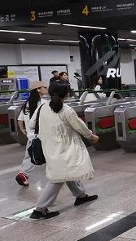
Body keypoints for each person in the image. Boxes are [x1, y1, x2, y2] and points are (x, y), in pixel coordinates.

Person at [29, 83, 100, 219]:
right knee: (57, 177)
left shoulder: (42, 107)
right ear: (66, 93)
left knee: (65, 171)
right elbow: (79, 126)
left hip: (49, 145)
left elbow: (32, 124)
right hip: (65, 146)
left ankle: (80, 195)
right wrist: (91, 136)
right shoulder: (65, 109)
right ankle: (40, 209)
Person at [14, 81, 49, 186]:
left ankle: (23, 174)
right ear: (38, 89)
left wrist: (23, 130)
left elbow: (20, 119)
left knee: (29, 156)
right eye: (44, 87)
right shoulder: (44, 103)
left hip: (31, 136)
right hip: (43, 136)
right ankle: (58, 176)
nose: (47, 89)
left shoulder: (27, 103)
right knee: (50, 156)